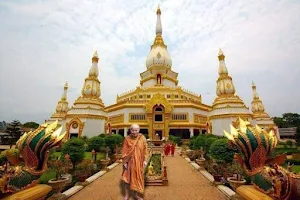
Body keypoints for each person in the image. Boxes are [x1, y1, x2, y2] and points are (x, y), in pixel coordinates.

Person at [121, 124, 148, 200]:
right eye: (132, 130)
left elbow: (145, 149)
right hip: (129, 162)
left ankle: (136, 195)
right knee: (127, 179)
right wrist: (125, 162)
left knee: (136, 178)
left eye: (136, 130)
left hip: (139, 162)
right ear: (130, 130)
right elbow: (124, 150)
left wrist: (145, 160)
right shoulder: (127, 139)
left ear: (139, 130)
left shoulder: (142, 138)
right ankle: (126, 195)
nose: (134, 132)